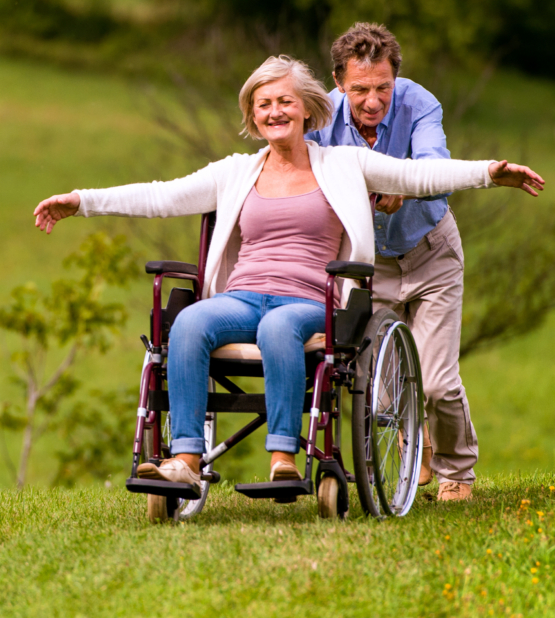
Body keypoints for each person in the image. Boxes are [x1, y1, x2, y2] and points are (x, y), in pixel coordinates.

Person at [33, 56, 544, 496]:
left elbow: (418, 175)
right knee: (188, 324)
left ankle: (282, 458)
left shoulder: (345, 164)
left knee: (277, 330)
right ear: (253, 118)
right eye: (263, 105)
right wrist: (81, 202)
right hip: (243, 296)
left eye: (283, 101)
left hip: (310, 301)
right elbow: (160, 195)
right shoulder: (236, 171)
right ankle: (186, 460)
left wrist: (490, 172)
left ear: (307, 109)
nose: (274, 112)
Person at [308, 23, 478, 502]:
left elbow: (434, 165)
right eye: (360, 89)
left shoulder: (419, 105)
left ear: (395, 79)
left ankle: (456, 473)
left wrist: (405, 184)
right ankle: (412, 443)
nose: (373, 100)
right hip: (368, 263)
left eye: (383, 86)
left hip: (430, 252)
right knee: (383, 394)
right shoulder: (321, 116)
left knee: (439, 381)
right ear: (339, 81)